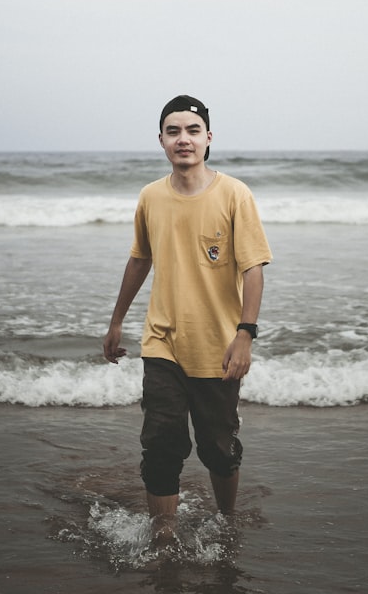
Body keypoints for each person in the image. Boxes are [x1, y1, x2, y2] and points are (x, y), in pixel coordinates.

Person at [102, 94, 272, 546]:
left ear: (208, 139)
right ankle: (164, 539)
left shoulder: (234, 194)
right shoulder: (150, 197)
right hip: (162, 343)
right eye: (173, 131)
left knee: (219, 449)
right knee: (160, 444)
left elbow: (253, 268)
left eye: (192, 131)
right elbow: (139, 260)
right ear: (160, 140)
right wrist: (117, 320)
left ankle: (228, 522)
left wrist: (245, 335)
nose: (183, 139)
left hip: (218, 346)